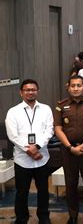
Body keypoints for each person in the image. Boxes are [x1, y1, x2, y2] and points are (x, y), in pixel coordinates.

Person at [5, 79, 54, 224]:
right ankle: (21, 218)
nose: (30, 92)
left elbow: (49, 130)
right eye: (27, 90)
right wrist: (31, 151)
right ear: (21, 93)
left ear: (37, 91)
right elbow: (13, 135)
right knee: (21, 192)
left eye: (33, 89)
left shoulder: (46, 109)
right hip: (22, 160)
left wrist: (37, 146)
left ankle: (44, 217)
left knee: (44, 191)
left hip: (42, 157)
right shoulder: (13, 112)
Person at [53, 75, 83, 224]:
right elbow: (58, 129)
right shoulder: (61, 105)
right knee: (70, 182)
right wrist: (70, 147)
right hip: (68, 150)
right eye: (73, 86)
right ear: (68, 87)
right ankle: (72, 214)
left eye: (79, 85)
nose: (76, 88)